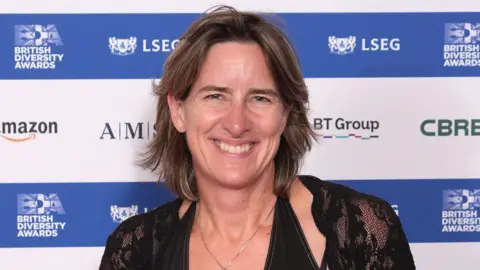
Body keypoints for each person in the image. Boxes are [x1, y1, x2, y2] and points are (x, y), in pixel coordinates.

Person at [98, 5, 416, 270]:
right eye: (215, 96)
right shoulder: (135, 250)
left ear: (286, 114)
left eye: (260, 98)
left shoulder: (357, 230)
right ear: (179, 111)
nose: (237, 124)